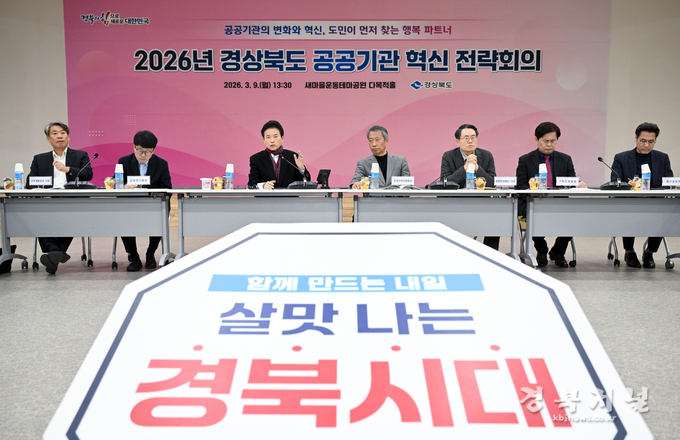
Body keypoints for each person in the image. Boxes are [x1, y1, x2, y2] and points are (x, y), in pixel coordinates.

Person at [515, 122, 587, 268]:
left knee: (573, 216)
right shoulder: (525, 160)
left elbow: (571, 182)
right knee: (533, 213)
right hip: (532, 202)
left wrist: (579, 185)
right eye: (545, 141)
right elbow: (520, 186)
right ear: (536, 140)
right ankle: (541, 250)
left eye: (553, 141)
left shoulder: (565, 159)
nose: (549, 144)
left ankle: (558, 251)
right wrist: (531, 190)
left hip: (558, 203)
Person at [26, 121, 93, 274]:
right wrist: (43, 194)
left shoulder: (80, 156)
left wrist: (68, 169)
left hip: (72, 200)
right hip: (47, 200)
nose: (59, 136)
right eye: (55, 133)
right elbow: (30, 183)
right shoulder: (39, 159)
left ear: (68, 137)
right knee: (39, 217)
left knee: (73, 216)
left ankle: (52, 252)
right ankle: (56, 252)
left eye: (63, 133)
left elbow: (88, 174)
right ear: (48, 139)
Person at [611, 122, 673, 268]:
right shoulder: (621, 158)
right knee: (628, 215)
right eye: (643, 141)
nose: (646, 145)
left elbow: (668, 182)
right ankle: (629, 252)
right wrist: (629, 186)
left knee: (662, 218)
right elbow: (615, 182)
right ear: (636, 138)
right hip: (629, 202)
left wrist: (652, 193)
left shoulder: (662, 158)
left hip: (655, 203)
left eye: (651, 142)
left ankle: (649, 252)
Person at [118, 130, 172, 271]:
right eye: (140, 150)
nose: (143, 155)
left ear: (153, 150)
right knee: (123, 218)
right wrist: (124, 186)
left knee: (161, 215)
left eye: (148, 152)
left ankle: (150, 253)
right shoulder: (124, 162)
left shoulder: (161, 164)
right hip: (130, 205)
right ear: (134, 147)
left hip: (153, 205)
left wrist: (154, 192)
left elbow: (167, 189)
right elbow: (116, 184)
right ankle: (134, 256)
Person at [440, 123, 499, 250]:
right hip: (456, 202)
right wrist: (464, 168)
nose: (470, 141)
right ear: (457, 141)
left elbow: (492, 182)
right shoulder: (448, 156)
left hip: (482, 202)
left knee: (497, 217)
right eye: (466, 138)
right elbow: (445, 182)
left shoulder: (486, 155)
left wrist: (478, 168)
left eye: (473, 137)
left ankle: (490, 252)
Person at [248, 120, 310, 189]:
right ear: (263, 139)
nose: (272, 140)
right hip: (267, 196)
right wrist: (263, 186)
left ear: (282, 138)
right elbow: (251, 183)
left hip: (289, 196)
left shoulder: (293, 157)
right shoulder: (256, 159)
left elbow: (306, 182)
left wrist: (301, 169)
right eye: (268, 137)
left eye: (275, 136)